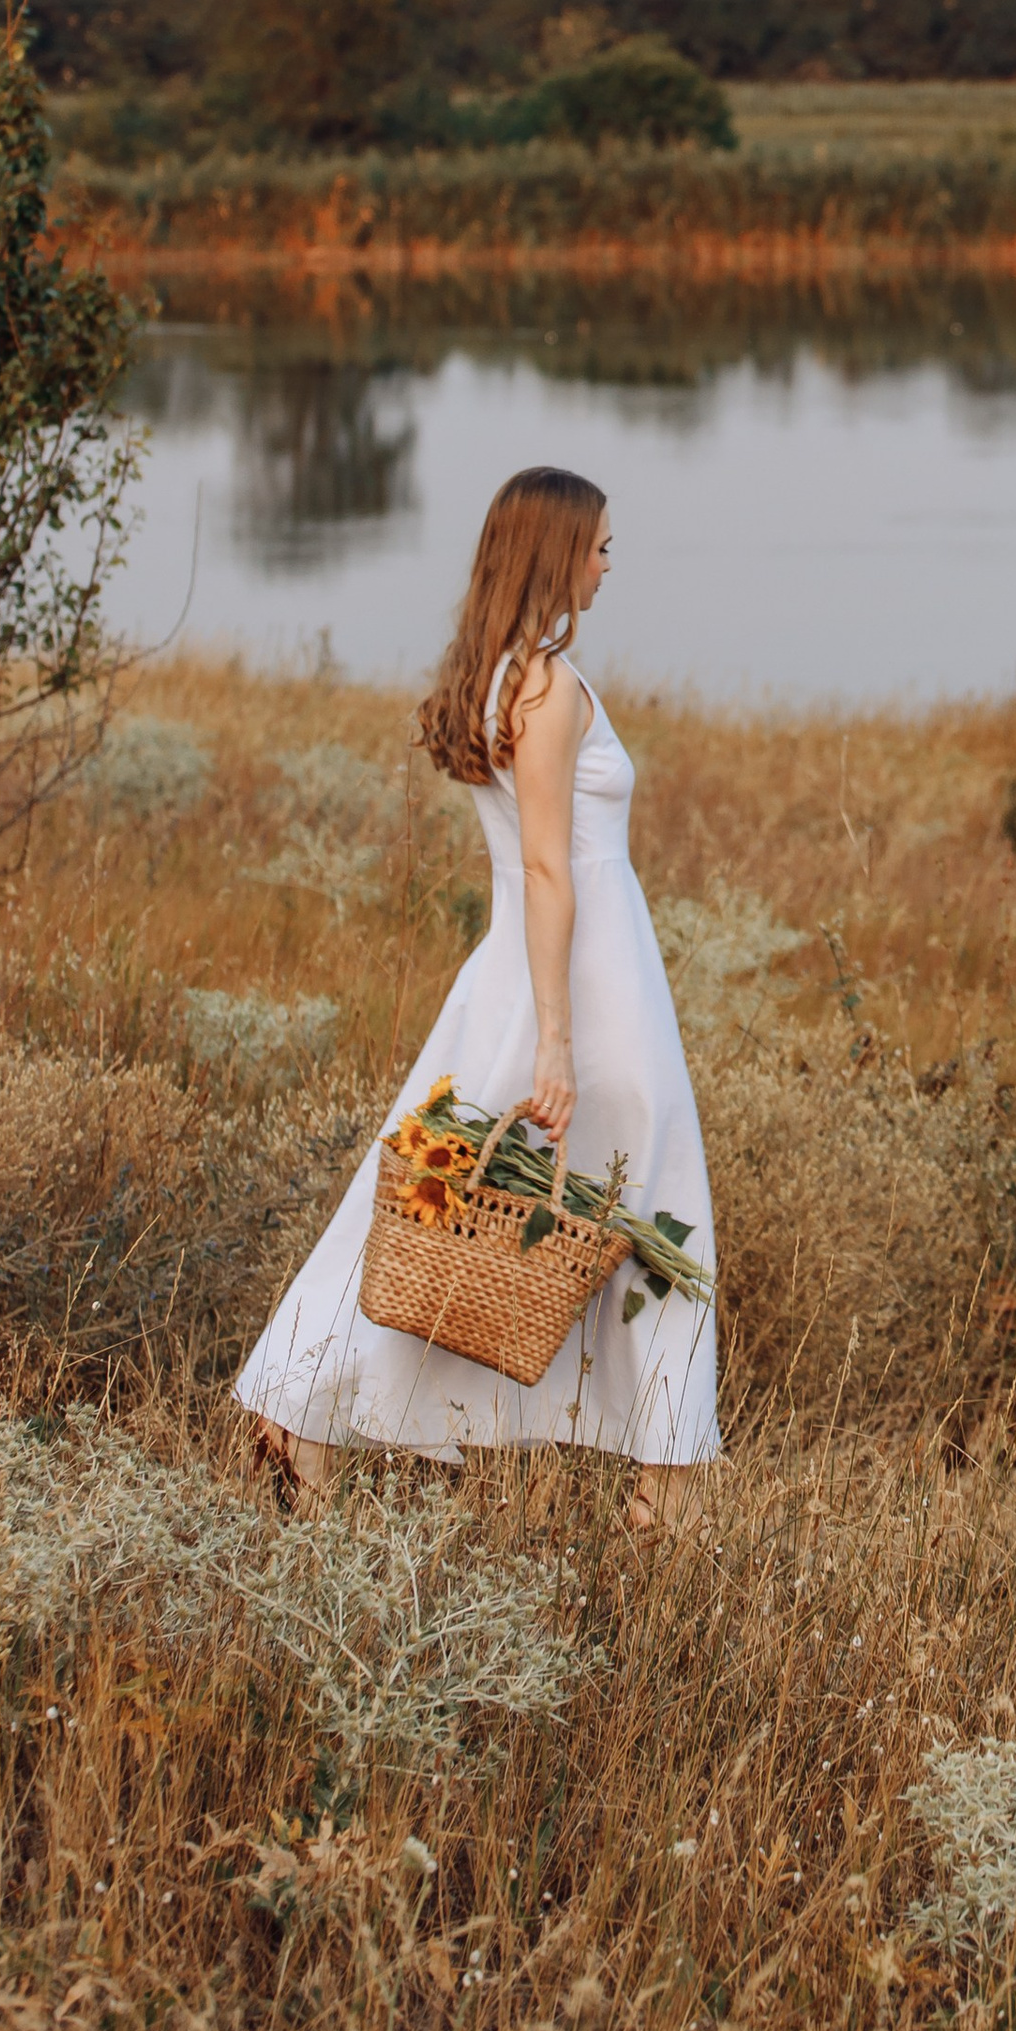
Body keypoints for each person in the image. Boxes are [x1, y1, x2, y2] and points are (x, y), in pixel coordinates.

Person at [233, 464, 719, 1532]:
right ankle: (664, 1485)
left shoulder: (503, 675)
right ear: (553, 555)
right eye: (595, 546)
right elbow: (551, 869)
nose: (606, 563)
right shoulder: (543, 684)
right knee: (645, 1210)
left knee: (440, 1208)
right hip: (580, 985)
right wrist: (556, 1038)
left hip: (527, 970)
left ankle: (304, 1416)